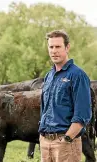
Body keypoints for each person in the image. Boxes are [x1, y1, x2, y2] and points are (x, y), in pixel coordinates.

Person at [38, 30, 92, 162]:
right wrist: (42, 137)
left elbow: (83, 114)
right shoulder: (49, 76)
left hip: (66, 143)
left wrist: (67, 139)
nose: (54, 51)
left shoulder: (78, 75)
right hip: (46, 142)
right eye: (51, 47)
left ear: (67, 47)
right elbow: (45, 109)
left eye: (58, 46)